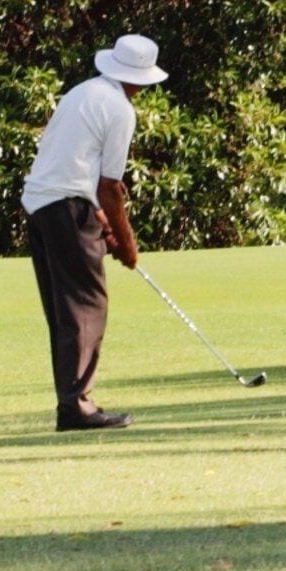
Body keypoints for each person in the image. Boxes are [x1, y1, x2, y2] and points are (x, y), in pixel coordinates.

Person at [21, 33, 166, 431]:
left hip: (40, 205)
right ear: (142, 79)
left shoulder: (80, 93)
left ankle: (71, 402)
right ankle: (76, 407)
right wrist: (129, 246)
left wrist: (105, 226)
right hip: (67, 207)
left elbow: (77, 171)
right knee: (86, 305)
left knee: (64, 309)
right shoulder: (120, 109)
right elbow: (109, 187)